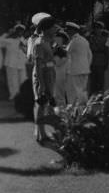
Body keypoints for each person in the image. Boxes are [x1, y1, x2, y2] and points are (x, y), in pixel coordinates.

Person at [31, 14, 57, 143]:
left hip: (49, 75)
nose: (56, 28)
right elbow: (38, 65)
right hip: (42, 77)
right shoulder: (40, 43)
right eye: (53, 27)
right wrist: (41, 84)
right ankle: (41, 135)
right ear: (47, 29)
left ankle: (42, 132)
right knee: (41, 104)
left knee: (45, 104)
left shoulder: (47, 41)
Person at [65, 22, 92, 105]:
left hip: (75, 70)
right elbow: (90, 55)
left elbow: (66, 52)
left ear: (72, 31)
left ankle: (74, 109)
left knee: (73, 91)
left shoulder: (74, 40)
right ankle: (84, 108)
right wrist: (87, 66)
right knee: (83, 90)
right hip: (85, 69)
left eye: (68, 30)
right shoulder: (85, 41)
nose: (67, 32)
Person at [1, 24, 27, 100]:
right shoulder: (8, 40)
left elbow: (25, 51)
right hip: (11, 63)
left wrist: (23, 47)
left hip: (21, 64)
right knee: (12, 80)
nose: (20, 33)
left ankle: (23, 96)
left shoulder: (23, 40)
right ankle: (14, 95)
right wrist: (7, 34)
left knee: (23, 80)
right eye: (18, 31)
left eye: (21, 31)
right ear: (15, 31)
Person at [88, 21, 109, 94]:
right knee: (93, 79)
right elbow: (89, 49)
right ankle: (93, 94)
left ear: (102, 29)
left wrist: (107, 62)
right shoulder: (91, 38)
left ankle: (100, 95)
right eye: (96, 28)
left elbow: (107, 52)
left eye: (99, 28)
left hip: (101, 60)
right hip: (92, 60)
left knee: (101, 79)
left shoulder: (105, 39)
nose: (97, 30)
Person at [52, 31, 70, 106]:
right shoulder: (56, 49)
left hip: (60, 73)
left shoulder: (63, 51)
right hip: (58, 73)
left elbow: (57, 63)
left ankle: (61, 112)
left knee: (59, 95)